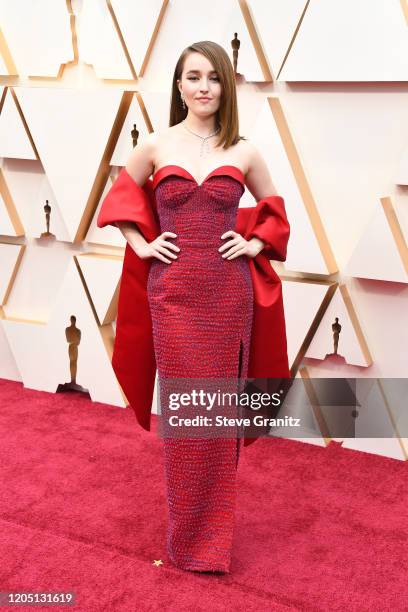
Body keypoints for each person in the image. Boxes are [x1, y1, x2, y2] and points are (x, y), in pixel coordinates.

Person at [97, 40, 291, 574]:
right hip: (175, 297)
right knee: (187, 418)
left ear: (226, 86)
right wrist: (141, 244)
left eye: (214, 77)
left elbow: (274, 210)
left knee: (217, 417)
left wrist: (253, 244)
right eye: (193, 77)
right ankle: (189, 540)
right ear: (179, 85)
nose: (204, 86)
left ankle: (211, 536)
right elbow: (118, 199)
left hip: (229, 296)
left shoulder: (244, 149)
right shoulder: (155, 145)